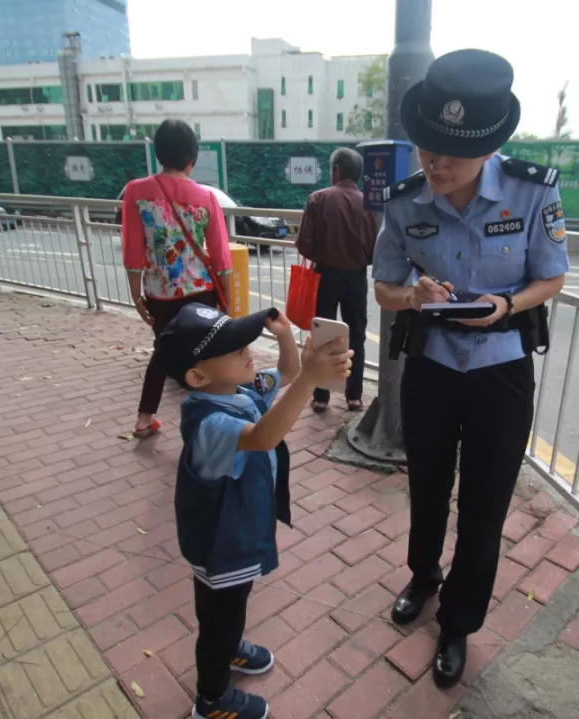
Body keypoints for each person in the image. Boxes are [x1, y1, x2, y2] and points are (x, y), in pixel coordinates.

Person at [371, 49, 569, 689]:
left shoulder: (533, 191)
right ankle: (423, 575)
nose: (435, 165)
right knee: (427, 486)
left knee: (485, 504)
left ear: (488, 146)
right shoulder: (405, 202)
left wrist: (506, 305)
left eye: (452, 155)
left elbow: (553, 277)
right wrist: (413, 296)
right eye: (428, 148)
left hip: (501, 372)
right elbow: (384, 287)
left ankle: (458, 620)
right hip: (431, 366)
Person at [154, 302, 352, 719]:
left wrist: (285, 336)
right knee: (219, 619)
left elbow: (288, 373)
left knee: (232, 607)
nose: (247, 350)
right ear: (197, 377)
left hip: (238, 534)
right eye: (234, 348)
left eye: (243, 340)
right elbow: (263, 436)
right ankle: (212, 699)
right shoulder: (210, 425)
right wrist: (312, 378)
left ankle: (231, 646)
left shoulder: (238, 390)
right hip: (220, 546)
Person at [121, 119, 233, 438]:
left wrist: (136, 297)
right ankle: (213, 422)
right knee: (206, 354)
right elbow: (221, 258)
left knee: (163, 351)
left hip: (160, 294)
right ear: (191, 159)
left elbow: (133, 252)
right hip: (201, 292)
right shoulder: (206, 197)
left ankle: (144, 419)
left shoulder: (135, 192)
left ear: (158, 153)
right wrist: (227, 300)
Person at [295, 147, 377, 413]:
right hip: (356, 278)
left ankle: (321, 397)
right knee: (357, 336)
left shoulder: (318, 199)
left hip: (325, 277)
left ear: (336, 170)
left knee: (323, 336)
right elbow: (374, 249)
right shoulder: (369, 204)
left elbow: (304, 245)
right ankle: (354, 396)